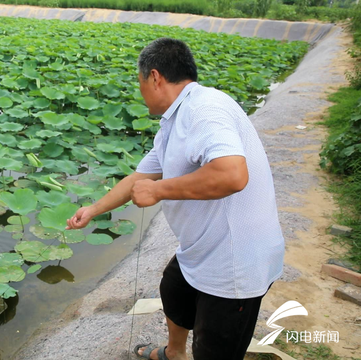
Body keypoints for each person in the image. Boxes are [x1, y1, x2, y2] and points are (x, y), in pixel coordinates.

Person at [65, 37, 285, 360]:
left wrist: (159, 191)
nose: (139, 91)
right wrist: (93, 210)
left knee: (213, 348)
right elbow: (139, 179)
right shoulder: (173, 121)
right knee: (173, 287)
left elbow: (233, 174)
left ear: (154, 77)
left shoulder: (204, 109)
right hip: (204, 250)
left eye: (139, 82)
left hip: (235, 266)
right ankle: (174, 352)